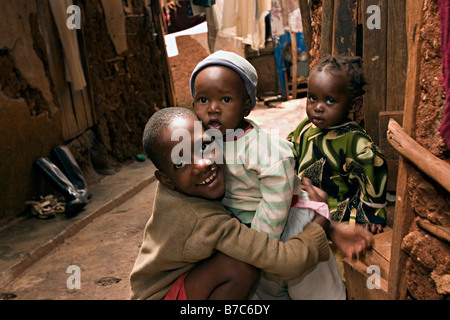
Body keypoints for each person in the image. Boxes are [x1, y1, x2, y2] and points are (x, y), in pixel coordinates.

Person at [129, 107, 373, 300]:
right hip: (163, 295)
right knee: (241, 266)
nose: (202, 164)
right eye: (181, 163)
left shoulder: (196, 181)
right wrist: (320, 224)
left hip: (188, 280)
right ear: (165, 180)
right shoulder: (201, 219)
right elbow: (287, 262)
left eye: (204, 146)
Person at [190, 50, 345, 300]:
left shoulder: (264, 150)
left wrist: (258, 243)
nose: (213, 109)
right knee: (267, 290)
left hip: (287, 222)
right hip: (247, 230)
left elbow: (277, 197)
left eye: (226, 100)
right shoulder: (203, 144)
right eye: (203, 100)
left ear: (247, 106)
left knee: (310, 286)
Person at [287, 54, 388, 277]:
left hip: (338, 210)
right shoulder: (305, 127)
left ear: (353, 105)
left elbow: (373, 171)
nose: (318, 108)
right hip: (308, 205)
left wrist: (371, 213)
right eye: (312, 98)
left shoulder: (355, 141)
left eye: (329, 101)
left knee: (337, 266)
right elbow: (290, 148)